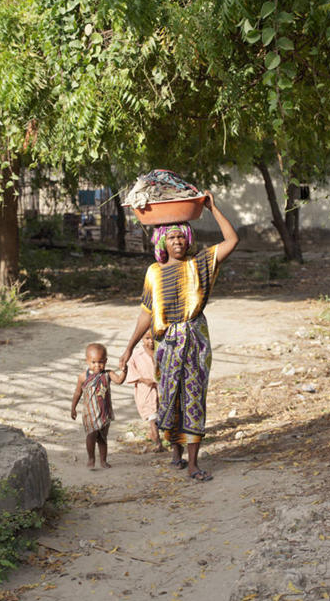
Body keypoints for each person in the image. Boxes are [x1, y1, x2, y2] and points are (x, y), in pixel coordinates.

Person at [119, 191, 239, 482]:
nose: (178, 242)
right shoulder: (153, 274)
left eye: (182, 237)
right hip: (167, 343)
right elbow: (147, 313)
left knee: (194, 396)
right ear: (162, 242)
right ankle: (176, 452)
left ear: (189, 239)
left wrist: (212, 207)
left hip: (195, 337)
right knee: (170, 396)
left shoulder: (198, 264)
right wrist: (128, 348)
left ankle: (194, 463)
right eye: (171, 238)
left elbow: (232, 241)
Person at [71, 343, 127, 469]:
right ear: (87, 361)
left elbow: (119, 380)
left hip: (104, 413)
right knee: (91, 436)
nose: (97, 365)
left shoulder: (108, 374)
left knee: (102, 438)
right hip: (90, 414)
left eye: (101, 362)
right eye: (93, 362)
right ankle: (91, 459)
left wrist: (124, 371)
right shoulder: (83, 377)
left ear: (106, 361)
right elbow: (77, 392)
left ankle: (103, 460)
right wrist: (73, 408)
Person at [124, 329, 164, 452]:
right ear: (141, 338)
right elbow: (131, 371)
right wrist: (142, 379)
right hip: (145, 390)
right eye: (147, 338)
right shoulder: (136, 355)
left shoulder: (162, 351)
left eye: (153, 338)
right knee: (152, 415)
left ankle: (166, 437)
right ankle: (158, 441)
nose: (150, 341)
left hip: (162, 389)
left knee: (164, 412)